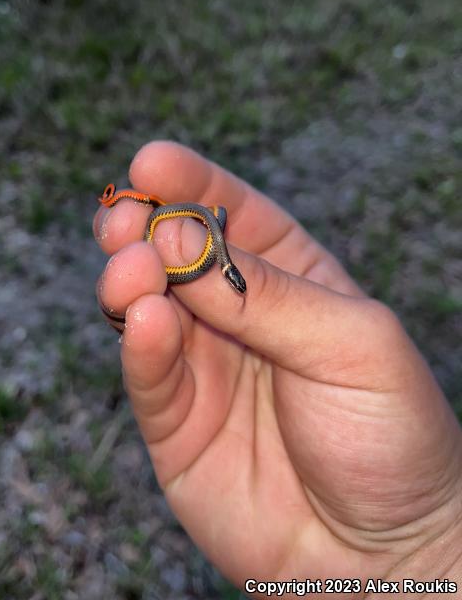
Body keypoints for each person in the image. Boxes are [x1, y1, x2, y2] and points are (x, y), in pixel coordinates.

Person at [93, 141, 462, 597]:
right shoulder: (208, 242)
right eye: (234, 277)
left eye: (232, 276)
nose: (236, 281)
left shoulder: (216, 252)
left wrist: (430, 541)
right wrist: (427, 549)